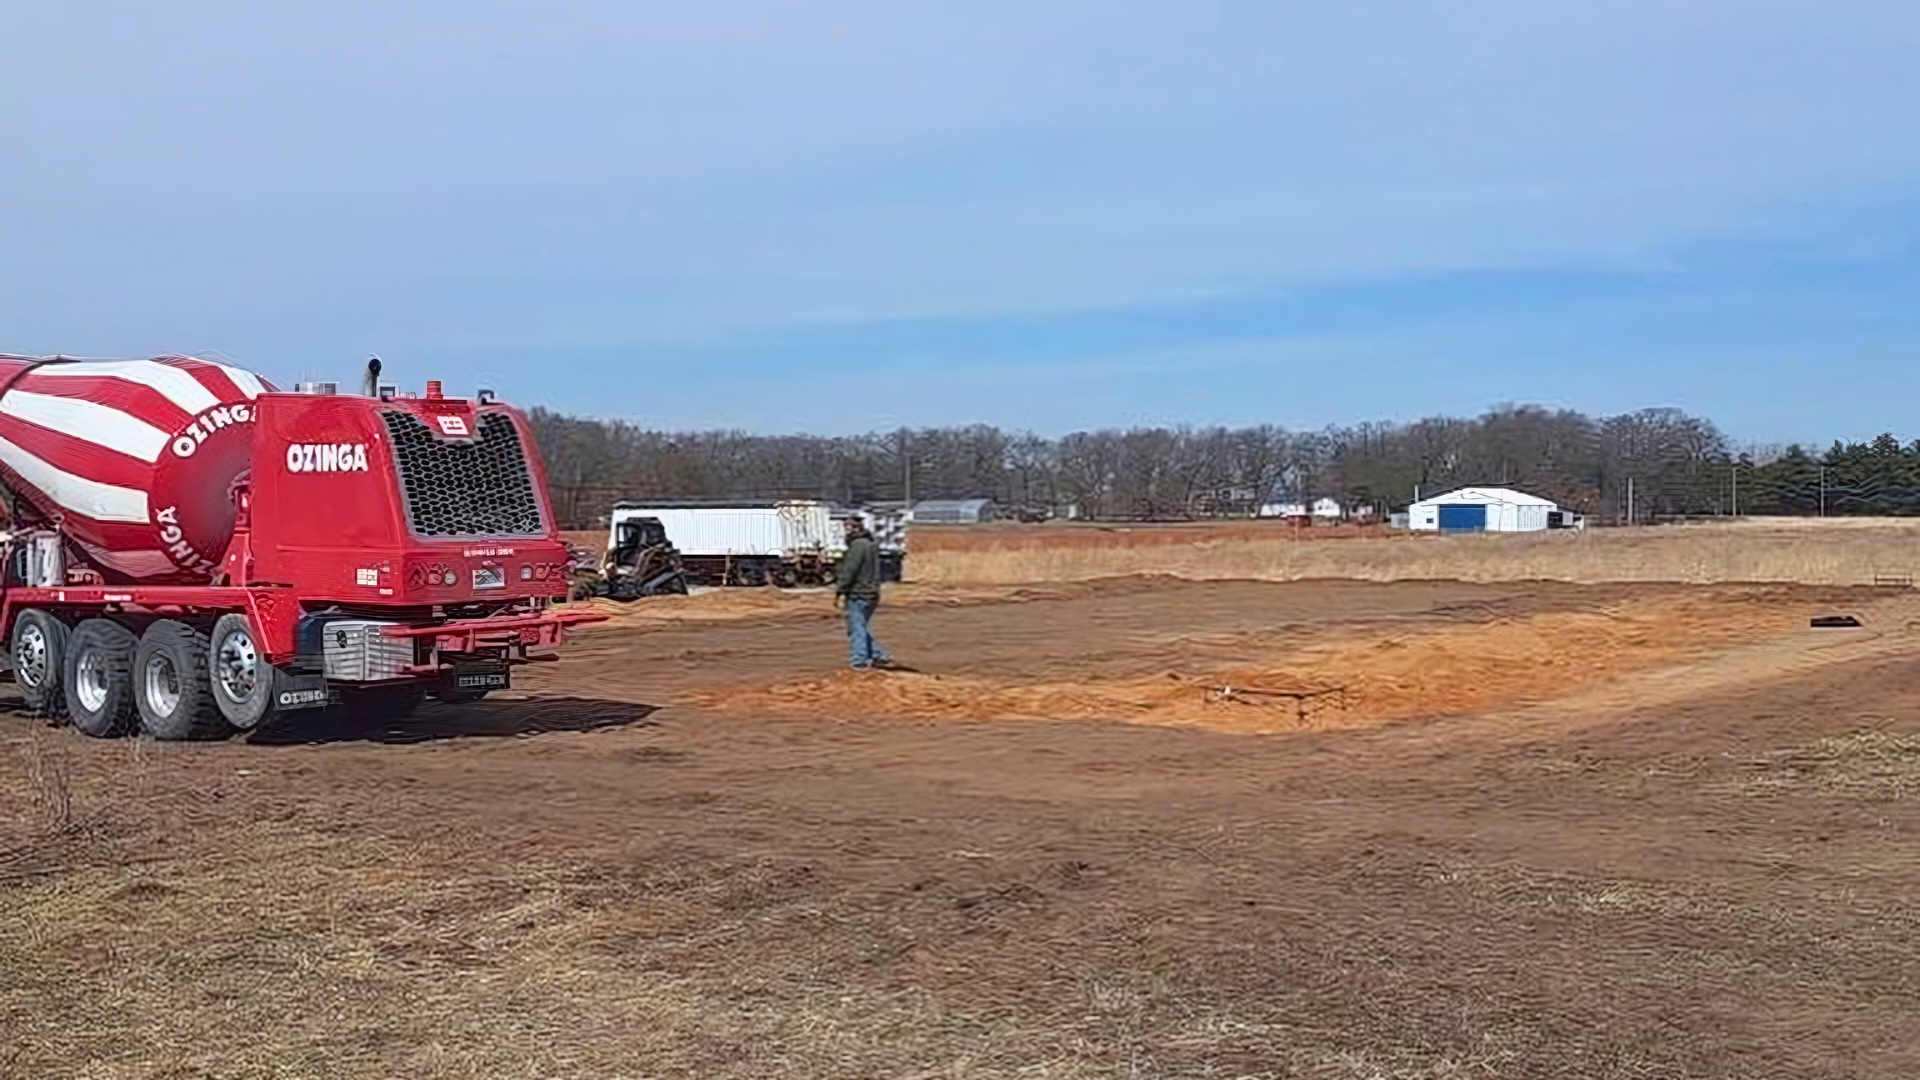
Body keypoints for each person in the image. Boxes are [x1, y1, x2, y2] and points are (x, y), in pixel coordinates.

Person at [834, 516, 894, 671]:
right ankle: (879, 655)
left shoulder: (857, 546)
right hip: (872, 592)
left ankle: (859, 661)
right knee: (861, 626)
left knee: (856, 628)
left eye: (848, 528)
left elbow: (850, 570)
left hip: (858, 592)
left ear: (857, 529)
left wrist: (840, 588)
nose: (846, 532)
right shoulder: (870, 545)